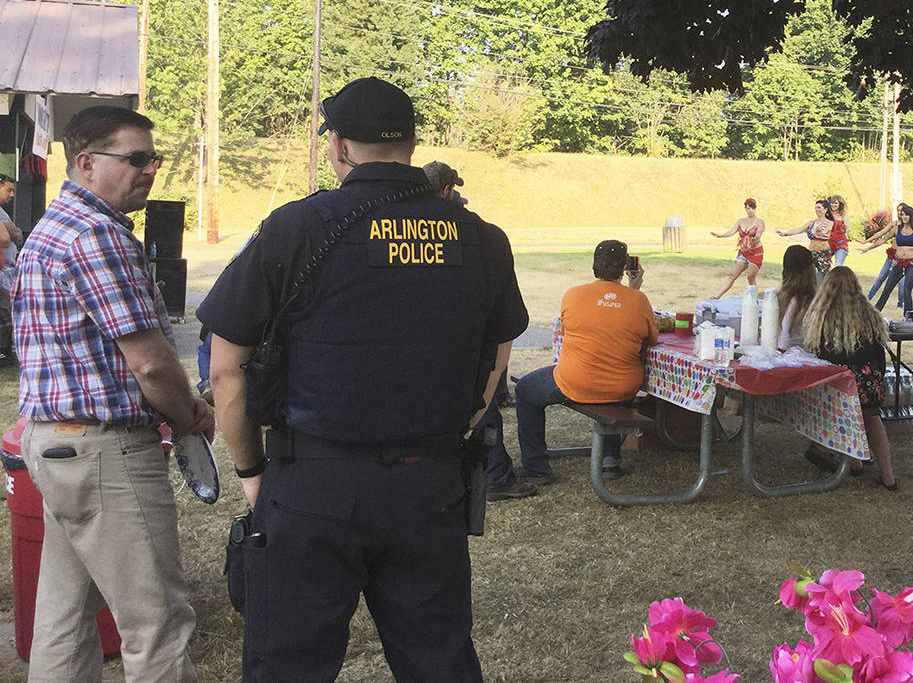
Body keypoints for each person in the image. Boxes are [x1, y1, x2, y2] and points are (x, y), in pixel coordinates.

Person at [198, 77, 529, 681]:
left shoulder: (294, 227)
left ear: (339, 147)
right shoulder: (481, 238)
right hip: (430, 486)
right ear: (410, 144)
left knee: (289, 666)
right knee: (439, 663)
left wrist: (250, 471)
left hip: (312, 483)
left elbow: (225, 368)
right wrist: (465, 420)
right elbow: (500, 347)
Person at [12, 105, 213, 681]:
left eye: (153, 158)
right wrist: (191, 414)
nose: (149, 169)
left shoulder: (53, 226)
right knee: (158, 626)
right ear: (86, 162)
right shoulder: (99, 235)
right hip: (104, 453)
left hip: (55, 448)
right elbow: (151, 364)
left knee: (64, 621)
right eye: (135, 159)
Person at [422, 159, 536, 502]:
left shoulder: (406, 227)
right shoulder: (478, 233)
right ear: (446, 190)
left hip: (428, 338)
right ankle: (498, 477)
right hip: (471, 337)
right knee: (484, 408)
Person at [513, 240, 657, 483]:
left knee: (525, 390)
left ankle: (536, 466)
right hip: (622, 386)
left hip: (576, 381)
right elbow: (651, 338)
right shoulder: (638, 300)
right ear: (625, 267)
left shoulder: (573, 295)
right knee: (611, 387)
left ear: (594, 265)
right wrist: (633, 290)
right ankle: (609, 460)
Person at [801, 267, 898, 489]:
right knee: (871, 419)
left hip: (837, 385)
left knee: (833, 409)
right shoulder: (871, 315)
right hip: (869, 383)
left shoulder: (821, 317)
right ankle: (888, 476)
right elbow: (879, 357)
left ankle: (828, 451)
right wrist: (876, 379)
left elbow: (819, 356)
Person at [862, 203, 913, 317]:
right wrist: (868, 248)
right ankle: (875, 313)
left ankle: (908, 315)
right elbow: (883, 239)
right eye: (902, 215)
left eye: (907, 215)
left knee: (906, 290)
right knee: (887, 289)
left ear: (911, 216)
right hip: (898, 262)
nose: (904, 217)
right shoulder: (896, 229)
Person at [711, 198, 765, 298]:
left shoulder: (760, 222)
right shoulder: (741, 221)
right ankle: (716, 296)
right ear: (745, 209)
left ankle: (754, 299)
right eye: (748, 208)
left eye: (752, 208)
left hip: (755, 252)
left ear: (755, 209)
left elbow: (759, 234)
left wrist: (754, 238)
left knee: (750, 277)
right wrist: (722, 235)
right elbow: (732, 231)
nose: (751, 210)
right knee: (732, 275)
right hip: (743, 252)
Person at [774, 200, 834, 278]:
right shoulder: (811, 223)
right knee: (809, 275)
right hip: (811, 252)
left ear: (825, 209)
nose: (817, 210)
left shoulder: (829, 222)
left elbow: (825, 231)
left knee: (821, 276)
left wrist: (820, 232)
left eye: (819, 208)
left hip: (823, 254)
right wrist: (784, 233)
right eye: (815, 208)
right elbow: (798, 230)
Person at [777, 245, 818, 350]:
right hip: (804, 360)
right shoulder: (815, 302)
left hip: (779, 355)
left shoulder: (777, 299)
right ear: (811, 271)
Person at [0, 173, 21, 365]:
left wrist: (10, 228)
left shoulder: (2, 211)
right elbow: (6, 239)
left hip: (7, 270)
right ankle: (3, 353)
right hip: (1, 271)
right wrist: (10, 229)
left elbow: (16, 233)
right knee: (6, 311)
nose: (12, 194)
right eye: (8, 190)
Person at [826, 194, 851, 267]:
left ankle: (837, 277)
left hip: (840, 244)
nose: (833, 205)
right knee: (824, 267)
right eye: (832, 203)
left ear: (840, 204)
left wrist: (845, 229)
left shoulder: (843, 215)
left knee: (837, 266)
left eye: (836, 203)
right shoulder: (827, 215)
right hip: (828, 244)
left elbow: (848, 227)